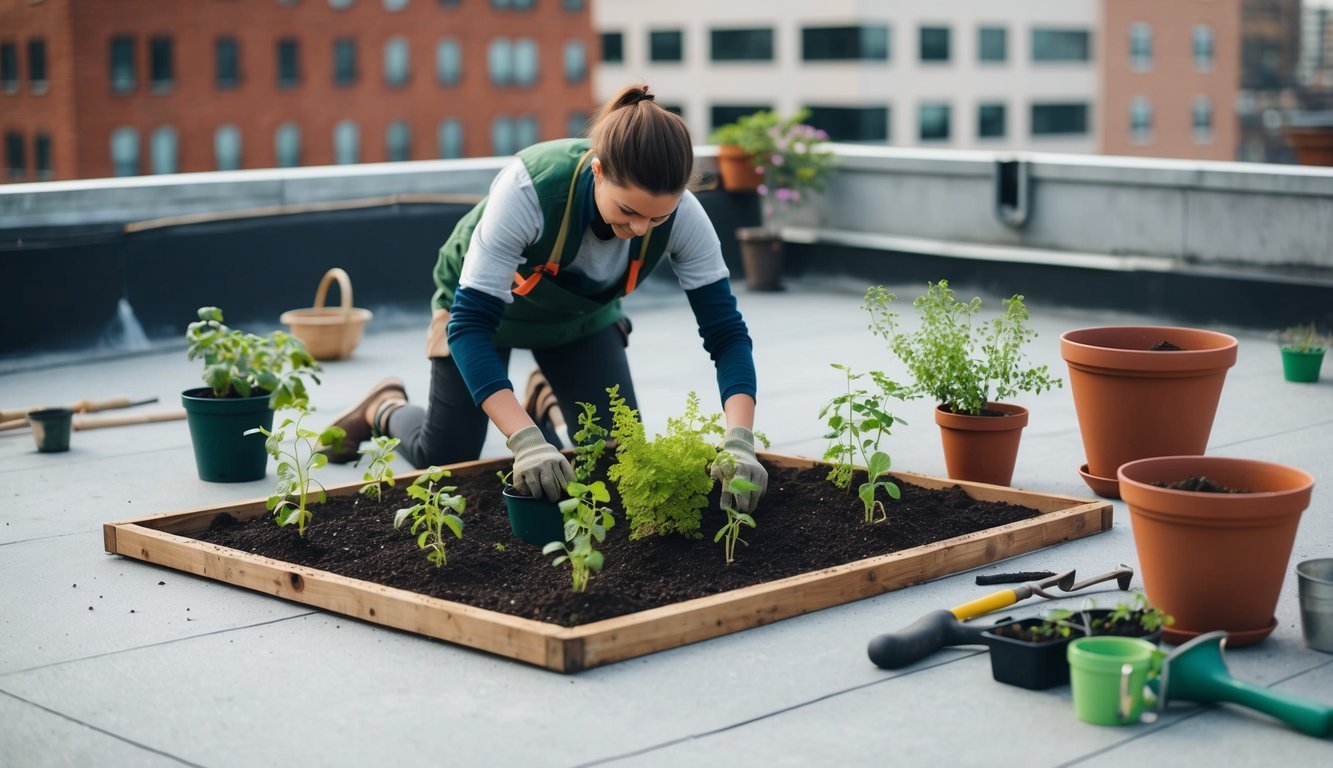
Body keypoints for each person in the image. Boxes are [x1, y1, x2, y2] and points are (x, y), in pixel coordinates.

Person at [322, 84, 766, 513]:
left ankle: (544, 400)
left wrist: (740, 439)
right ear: (598, 171)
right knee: (447, 458)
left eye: (658, 217)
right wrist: (526, 442)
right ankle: (384, 408)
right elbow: (469, 326)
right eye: (628, 211)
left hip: (579, 318)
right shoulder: (530, 189)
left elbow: (726, 334)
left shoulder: (686, 217)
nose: (639, 229)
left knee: (615, 459)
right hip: (481, 314)